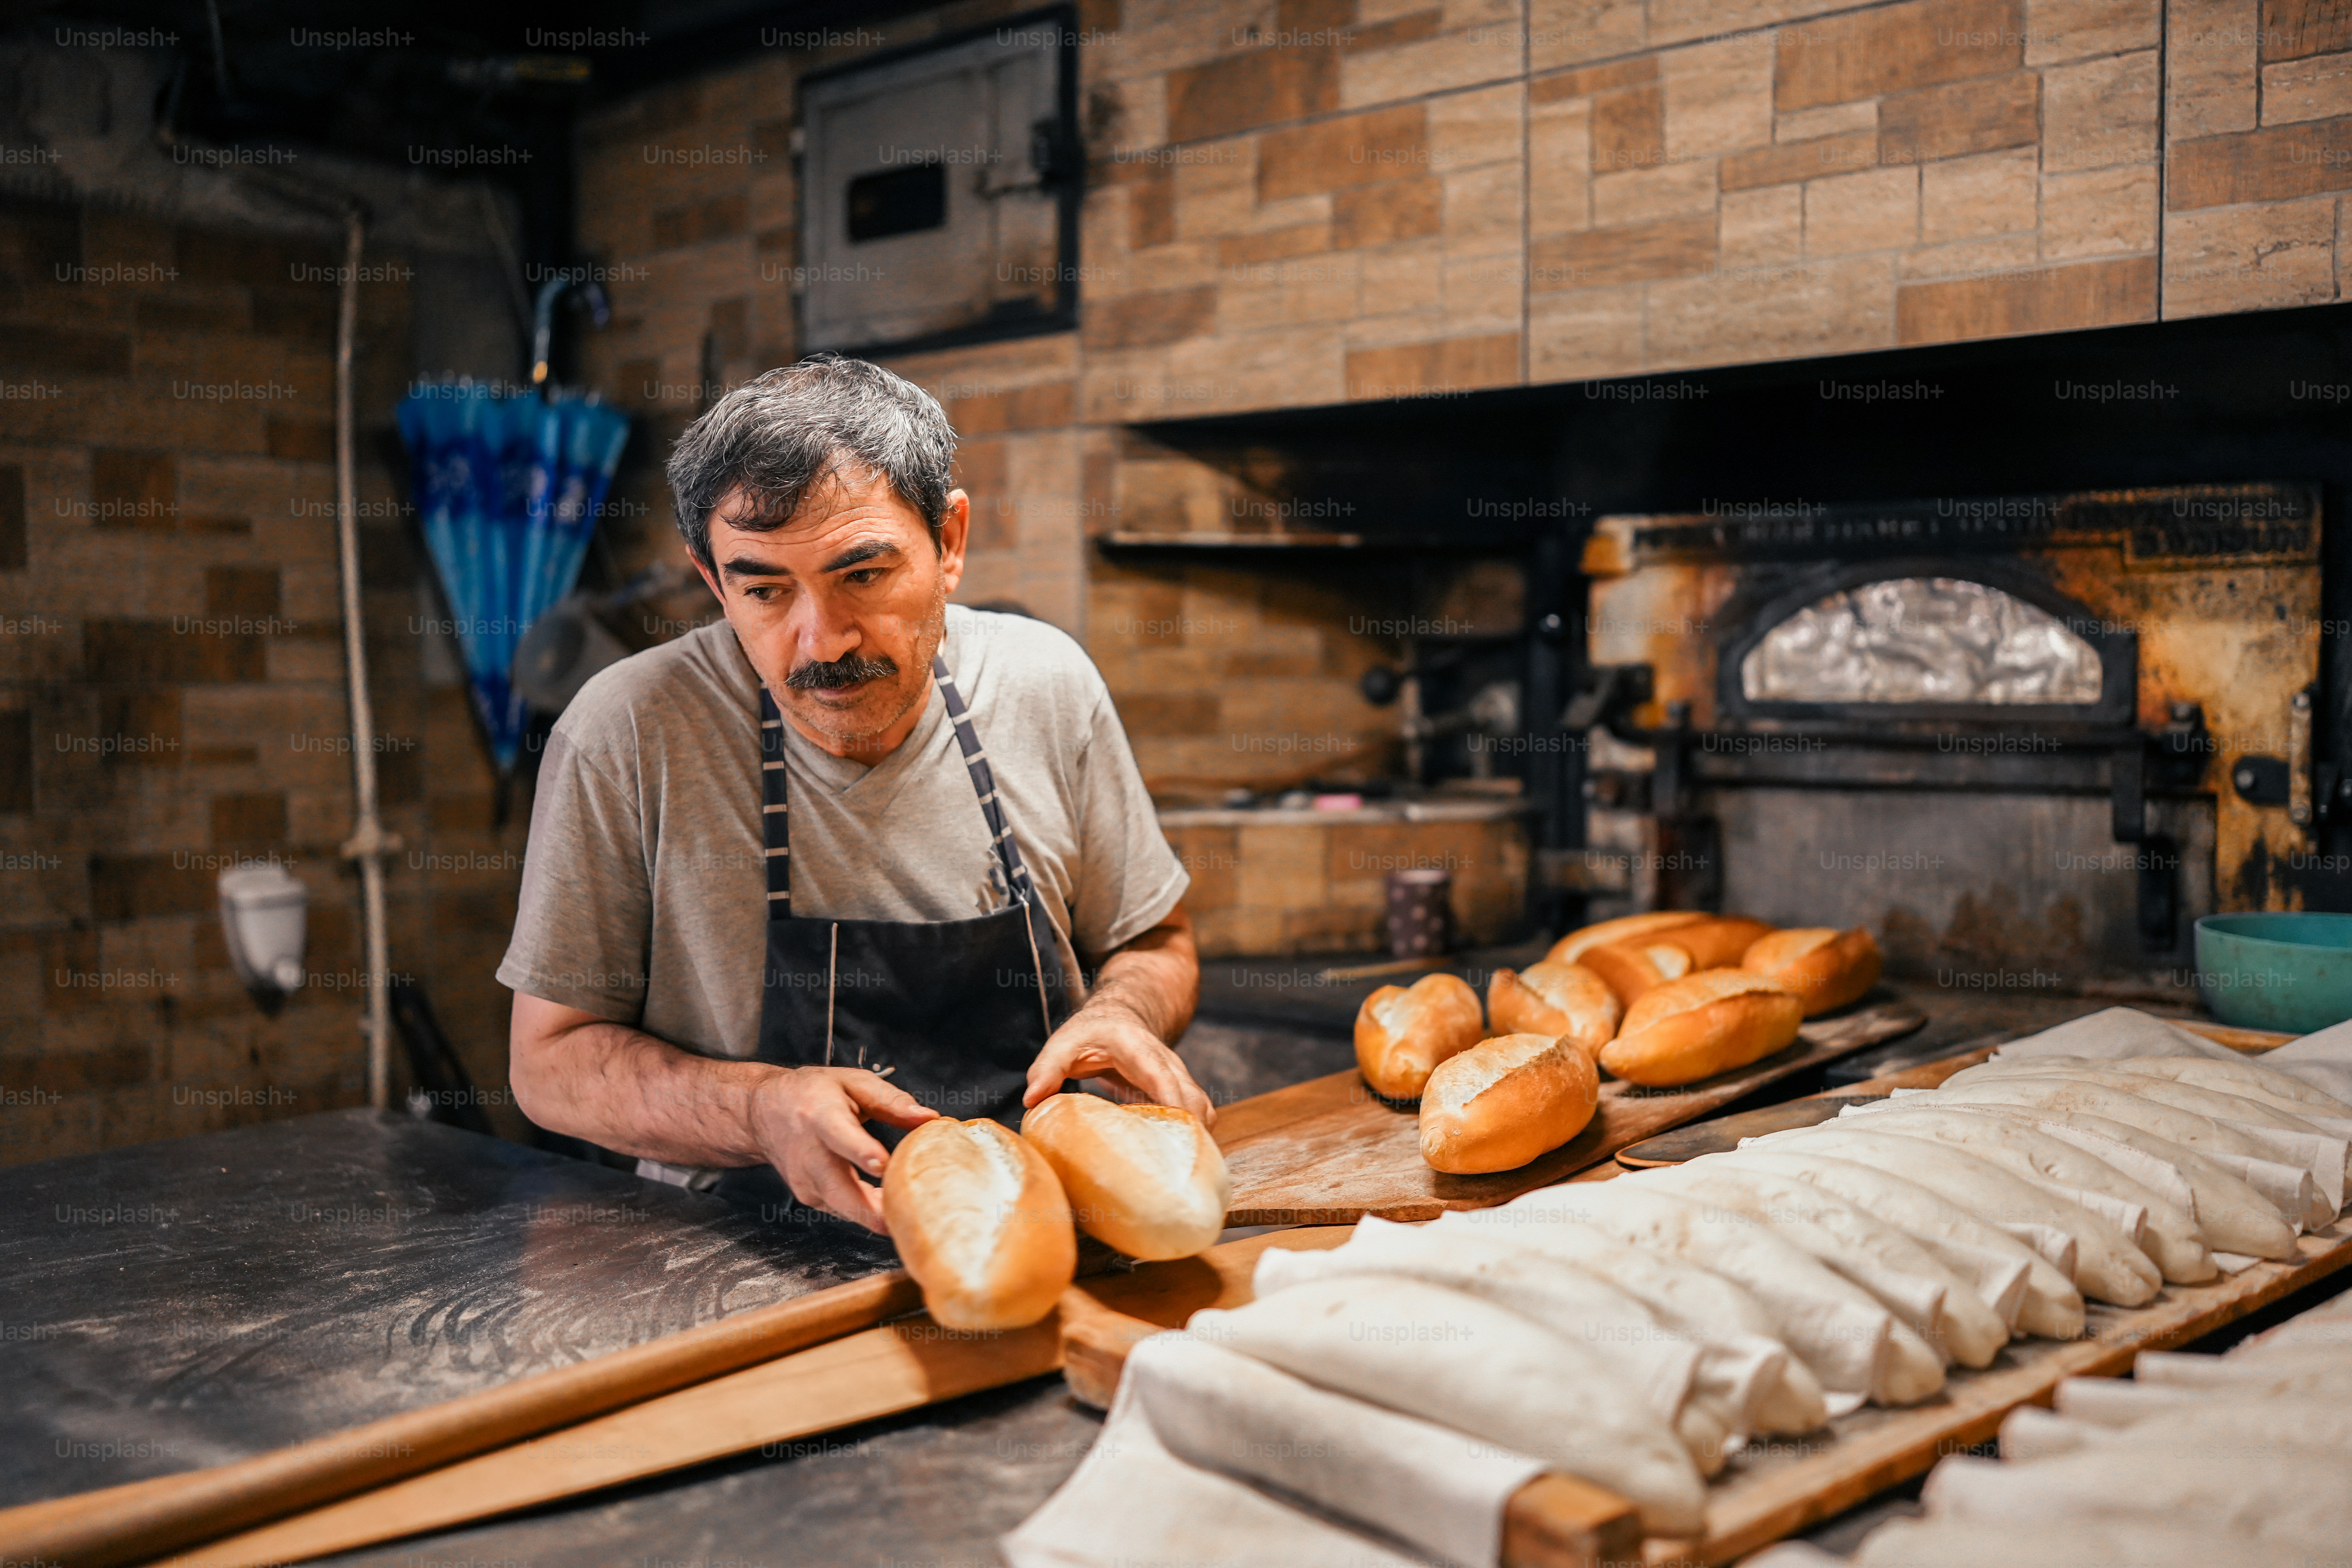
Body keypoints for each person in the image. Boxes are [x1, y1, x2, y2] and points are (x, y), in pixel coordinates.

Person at [499, 356, 1210, 1232]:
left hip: (1041, 1226)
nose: (822, 641)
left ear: (950, 543)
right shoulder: (626, 732)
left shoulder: (1045, 685)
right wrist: (759, 1108)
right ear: (712, 579)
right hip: (740, 1246)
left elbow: (1153, 941)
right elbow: (548, 1065)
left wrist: (1124, 1014)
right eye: (763, 590)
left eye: (862, 577)